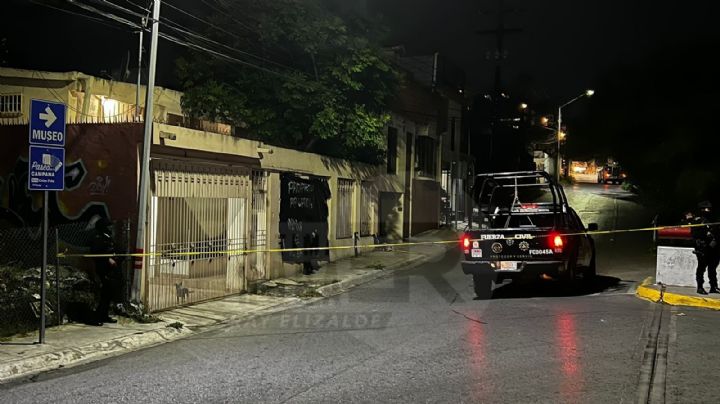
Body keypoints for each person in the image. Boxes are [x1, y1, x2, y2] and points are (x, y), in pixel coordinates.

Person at [91, 217, 118, 324]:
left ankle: (104, 315)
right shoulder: (98, 238)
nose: (110, 228)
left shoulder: (108, 237)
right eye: (108, 226)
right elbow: (96, 253)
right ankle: (98, 317)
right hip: (102, 269)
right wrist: (107, 259)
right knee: (104, 294)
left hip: (110, 270)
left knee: (109, 294)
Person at [691, 201, 720, 295]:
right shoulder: (697, 220)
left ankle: (714, 286)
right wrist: (705, 236)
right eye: (707, 208)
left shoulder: (713, 219)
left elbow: (717, 230)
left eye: (709, 208)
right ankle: (700, 287)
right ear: (702, 209)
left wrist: (715, 239)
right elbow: (695, 235)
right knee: (701, 268)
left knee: (712, 268)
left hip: (713, 247)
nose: (709, 210)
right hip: (703, 248)